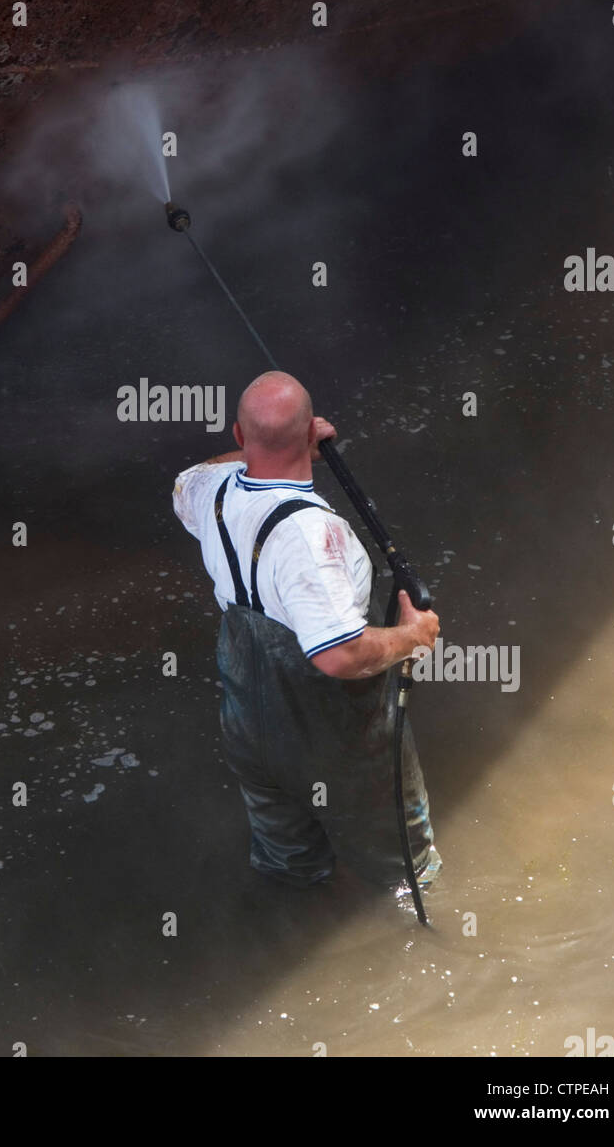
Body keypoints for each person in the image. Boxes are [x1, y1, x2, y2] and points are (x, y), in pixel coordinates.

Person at [172, 370, 442, 893]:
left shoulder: (211, 493)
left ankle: (288, 928)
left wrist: (266, 447)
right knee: (407, 874)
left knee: (290, 867)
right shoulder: (314, 536)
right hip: (334, 740)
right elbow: (339, 656)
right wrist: (414, 635)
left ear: (237, 436)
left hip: (249, 728)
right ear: (309, 436)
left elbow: (189, 476)